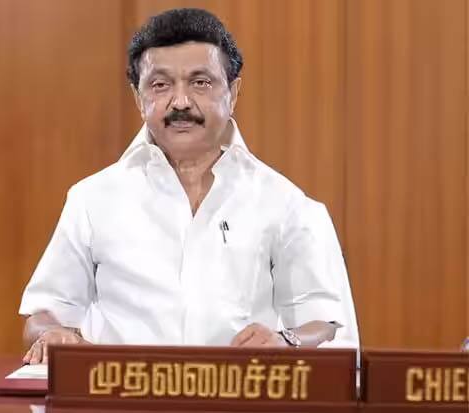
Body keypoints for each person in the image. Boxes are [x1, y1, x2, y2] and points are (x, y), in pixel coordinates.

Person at [19, 8, 359, 365]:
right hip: (123, 390)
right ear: (138, 98)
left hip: (238, 390)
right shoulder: (91, 200)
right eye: (160, 85)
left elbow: (327, 325)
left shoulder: (286, 204)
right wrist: (52, 333)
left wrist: (287, 341)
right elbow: (42, 314)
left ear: (233, 92)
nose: (180, 102)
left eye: (201, 82)